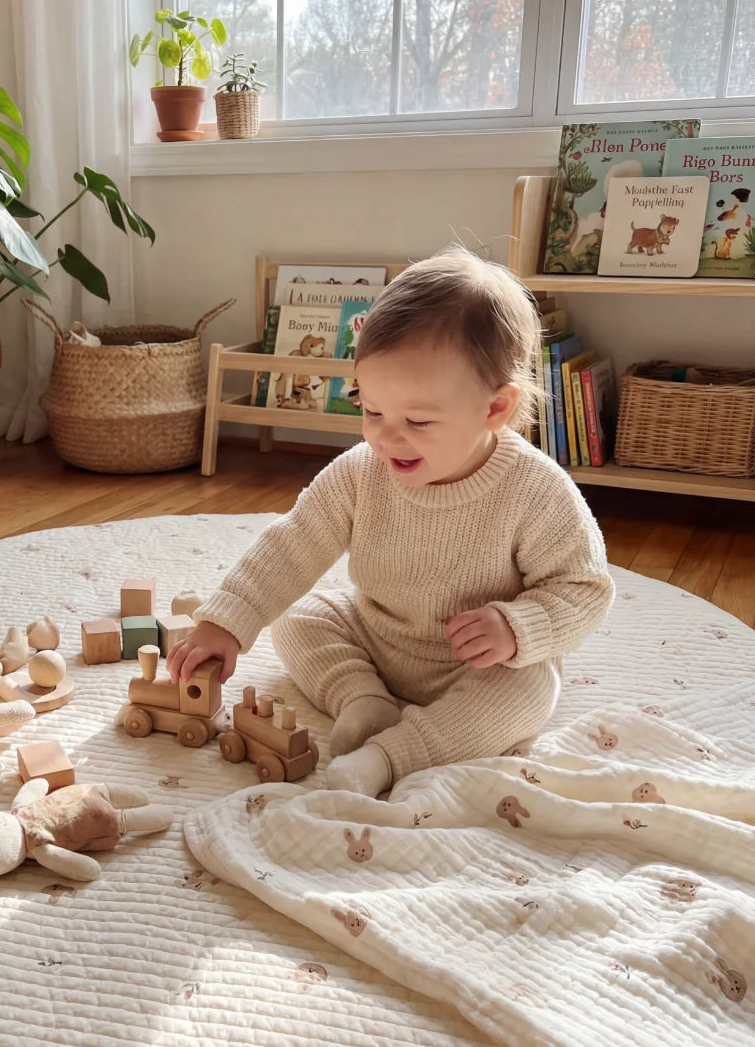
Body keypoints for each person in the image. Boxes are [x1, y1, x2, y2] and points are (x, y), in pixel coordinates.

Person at [167, 247, 614, 798]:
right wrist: (228, 622)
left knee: (529, 692)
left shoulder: (535, 489)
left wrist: (517, 628)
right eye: (370, 409)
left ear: (495, 410)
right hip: (378, 637)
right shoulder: (361, 472)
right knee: (297, 617)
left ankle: (391, 755)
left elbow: (584, 589)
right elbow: (292, 544)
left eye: (418, 420)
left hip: (477, 665)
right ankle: (364, 701)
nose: (385, 436)